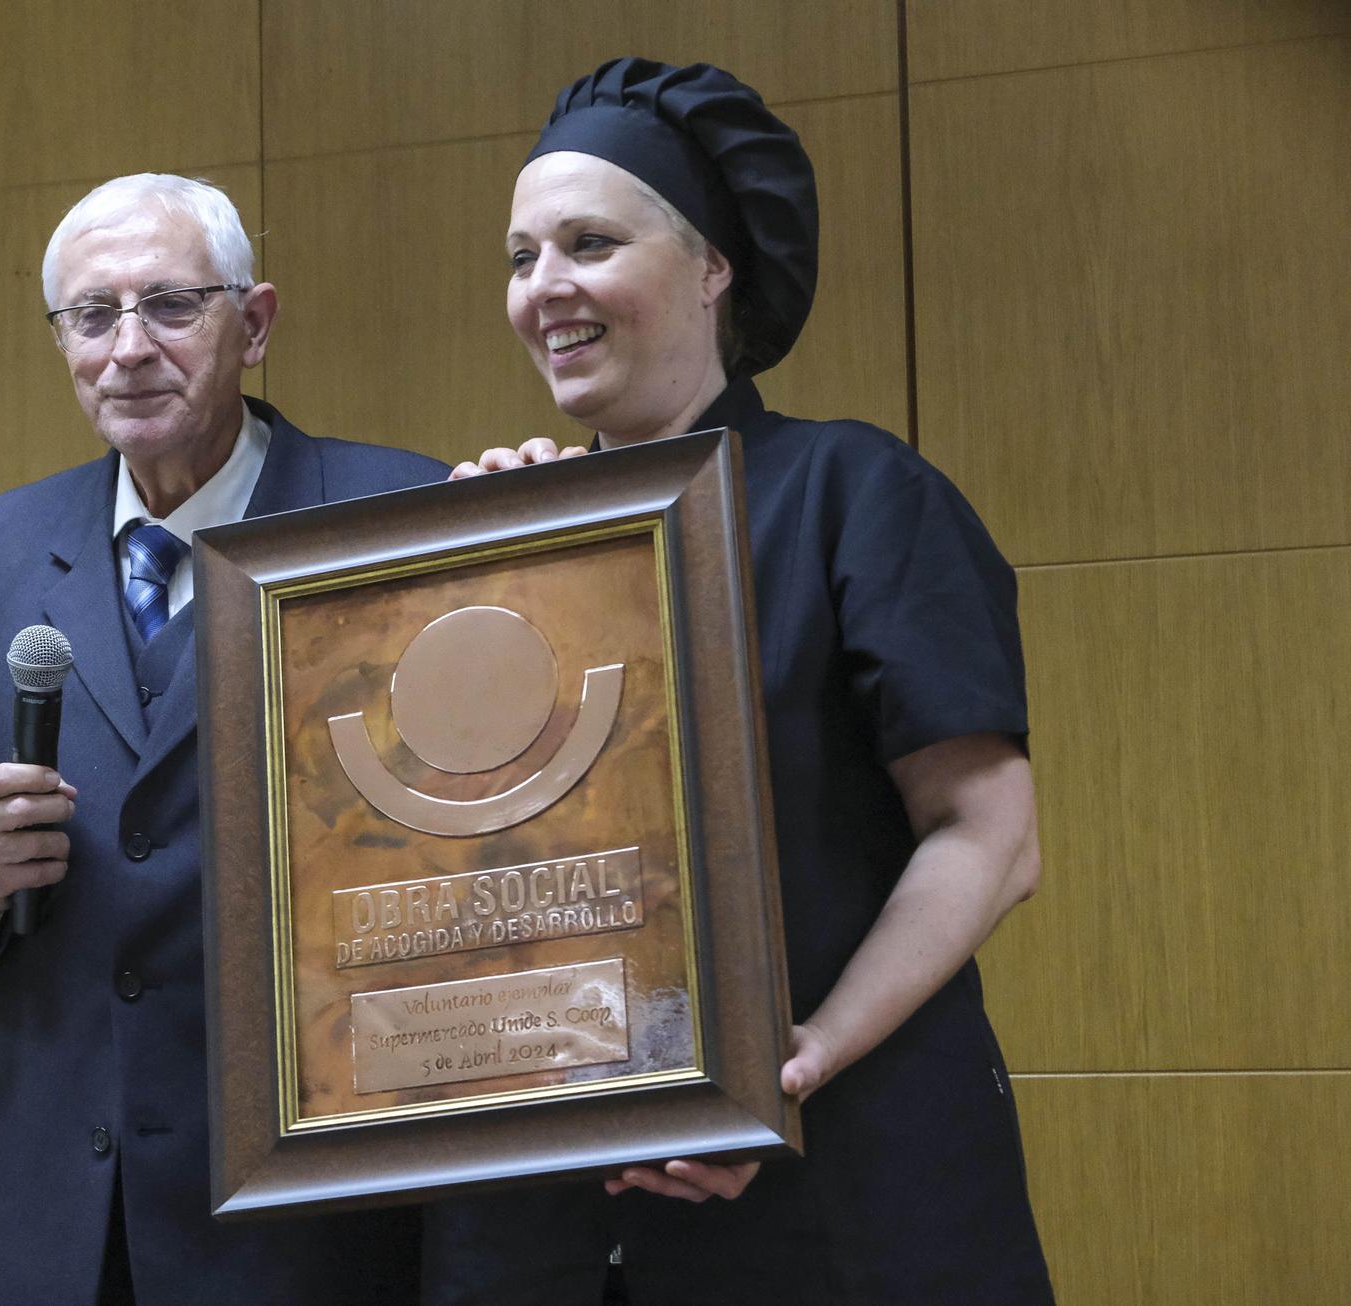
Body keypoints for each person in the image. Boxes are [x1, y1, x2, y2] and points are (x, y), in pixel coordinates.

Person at [428, 59, 1055, 1304]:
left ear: (714, 267)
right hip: (548, 1226)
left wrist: (791, 1065)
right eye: (518, 256)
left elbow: (988, 835)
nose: (542, 288)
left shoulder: (856, 497)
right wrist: (448, 598)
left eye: (588, 243)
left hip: (837, 1191)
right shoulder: (496, 545)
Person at [0, 173, 444, 1306]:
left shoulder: (390, 517)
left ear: (254, 323)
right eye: (92, 315)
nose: (127, 348)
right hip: (50, 1210)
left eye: (170, 306)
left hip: (307, 1206)